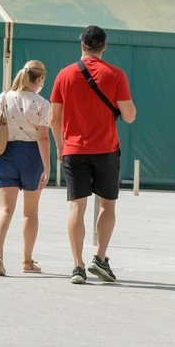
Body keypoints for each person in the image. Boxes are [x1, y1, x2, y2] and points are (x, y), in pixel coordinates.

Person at [50, 25, 136, 285]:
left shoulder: (64, 75)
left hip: (74, 150)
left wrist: (60, 148)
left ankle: (77, 266)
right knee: (107, 204)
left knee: (77, 206)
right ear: (104, 47)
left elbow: (54, 118)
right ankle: (99, 258)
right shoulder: (116, 75)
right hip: (107, 149)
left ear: (82, 46)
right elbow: (130, 116)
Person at [0, 60, 51, 276]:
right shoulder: (42, 103)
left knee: (5, 209)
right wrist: (47, 167)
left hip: (6, 154)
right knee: (30, 213)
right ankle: (26, 261)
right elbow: (43, 138)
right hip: (32, 156)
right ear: (41, 78)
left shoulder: (3, 97)